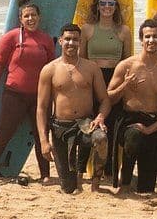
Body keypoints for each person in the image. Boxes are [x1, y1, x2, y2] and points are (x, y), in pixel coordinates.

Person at [0, 0, 56, 182]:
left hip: (39, 97)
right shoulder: (11, 37)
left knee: (41, 135)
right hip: (14, 94)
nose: (30, 19)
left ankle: (45, 175)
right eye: (26, 16)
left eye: (33, 15)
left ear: (39, 17)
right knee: (4, 133)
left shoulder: (45, 40)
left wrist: (54, 94)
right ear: (20, 19)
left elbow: (52, 68)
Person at [34, 24, 112, 194]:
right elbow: (41, 107)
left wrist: (100, 117)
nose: (71, 43)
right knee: (68, 188)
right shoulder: (49, 70)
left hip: (86, 124)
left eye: (75, 39)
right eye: (67, 39)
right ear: (60, 41)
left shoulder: (91, 68)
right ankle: (73, 180)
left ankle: (95, 184)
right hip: (60, 127)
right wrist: (43, 140)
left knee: (101, 139)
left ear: (80, 42)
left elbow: (105, 100)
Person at [107, 18, 157, 193]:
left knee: (147, 189)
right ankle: (125, 182)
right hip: (129, 121)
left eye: (155, 37)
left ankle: (139, 181)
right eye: (147, 37)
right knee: (134, 136)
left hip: (154, 122)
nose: (151, 40)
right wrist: (125, 86)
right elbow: (109, 98)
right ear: (141, 40)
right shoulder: (126, 66)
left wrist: (151, 129)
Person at [80, 0, 133, 87]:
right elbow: (82, 59)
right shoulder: (86, 29)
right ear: (98, 6)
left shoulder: (124, 30)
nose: (107, 6)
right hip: (92, 77)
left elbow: (127, 61)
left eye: (111, 4)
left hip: (115, 78)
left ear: (115, 7)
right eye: (103, 3)